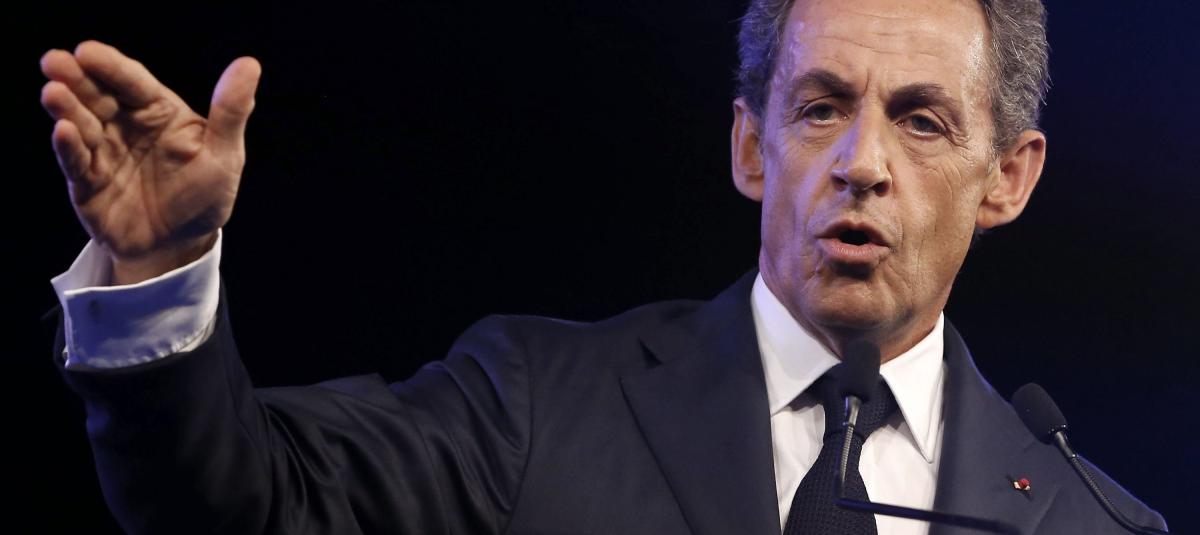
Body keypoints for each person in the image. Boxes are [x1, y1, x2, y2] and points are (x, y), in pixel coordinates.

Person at [39, 0, 1168, 534]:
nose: (861, 163)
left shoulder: (1096, 523)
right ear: (750, 148)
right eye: (822, 108)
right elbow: (240, 503)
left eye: (920, 121)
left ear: (1006, 178)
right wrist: (162, 266)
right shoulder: (537, 403)